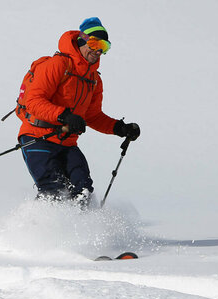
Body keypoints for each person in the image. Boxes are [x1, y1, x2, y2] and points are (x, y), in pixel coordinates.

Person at [16, 17, 140, 205]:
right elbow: (34, 102)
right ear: (82, 40)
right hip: (37, 137)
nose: (98, 51)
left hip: (67, 143)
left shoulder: (94, 79)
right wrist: (64, 116)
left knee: (83, 190)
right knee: (53, 190)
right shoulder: (57, 65)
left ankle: (81, 224)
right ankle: (38, 222)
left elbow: (92, 116)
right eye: (95, 44)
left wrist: (119, 128)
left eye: (104, 47)